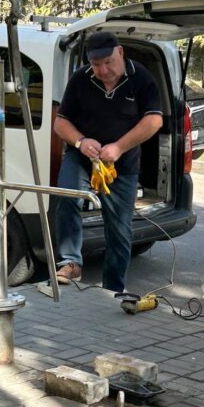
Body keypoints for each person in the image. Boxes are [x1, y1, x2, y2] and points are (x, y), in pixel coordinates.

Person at [53, 31, 164, 293]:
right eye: (96, 64)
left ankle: (113, 290)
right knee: (66, 195)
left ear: (120, 52)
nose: (102, 70)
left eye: (108, 62)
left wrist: (119, 147)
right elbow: (61, 121)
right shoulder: (80, 79)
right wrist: (81, 141)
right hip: (81, 158)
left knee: (119, 230)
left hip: (122, 166)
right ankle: (70, 262)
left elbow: (154, 121)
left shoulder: (142, 78)